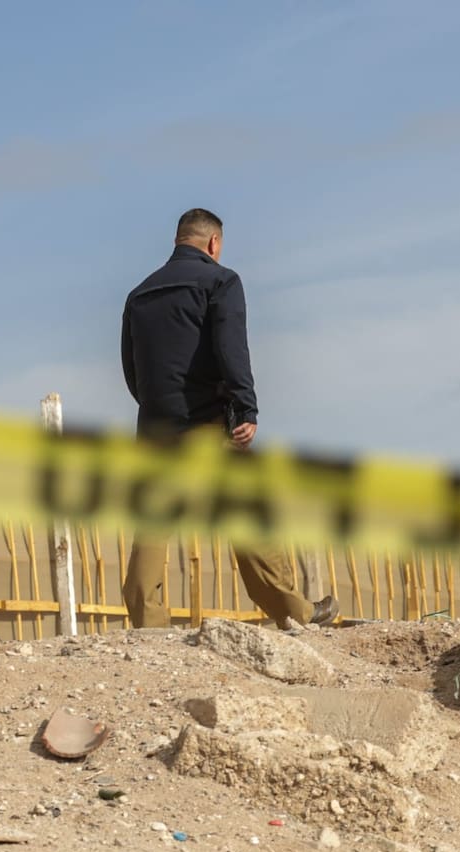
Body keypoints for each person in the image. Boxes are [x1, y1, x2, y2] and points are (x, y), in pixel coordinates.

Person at [120, 208, 338, 629]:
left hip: (155, 425)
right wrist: (245, 407)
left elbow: (131, 366)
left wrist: (154, 409)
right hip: (209, 422)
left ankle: (148, 622)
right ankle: (296, 611)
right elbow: (231, 347)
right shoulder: (221, 281)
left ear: (178, 240)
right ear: (213, 244)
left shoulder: (139, 294)